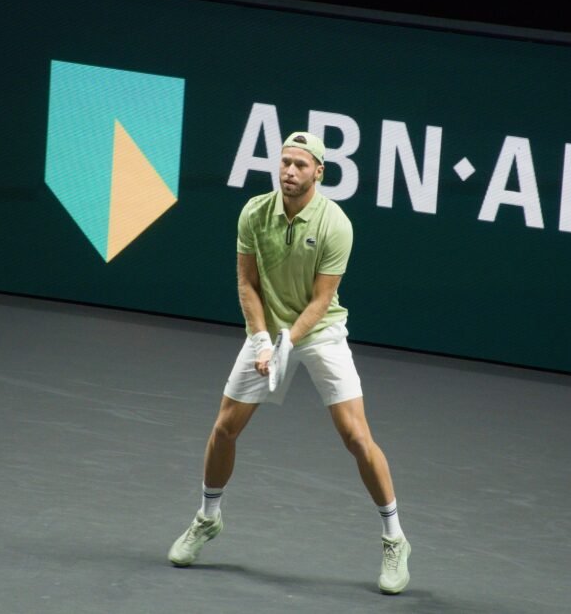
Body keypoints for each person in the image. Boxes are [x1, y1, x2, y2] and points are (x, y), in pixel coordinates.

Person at [167, 131, 411, 594]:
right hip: (267, 331)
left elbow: (321, 301)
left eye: (300, 165)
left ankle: (395, 538)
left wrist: (284, 344)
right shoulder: (254, 213)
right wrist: (262, 339)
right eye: (284, 163)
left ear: (319, 171)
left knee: (357, 438)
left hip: (318, 333)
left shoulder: (336, 224)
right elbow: (247, 284)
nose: (290, 172)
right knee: (224, 428)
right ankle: (208, 517)